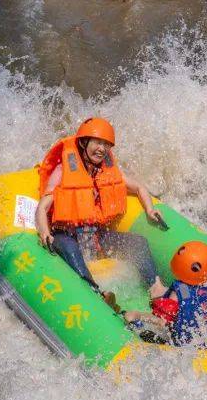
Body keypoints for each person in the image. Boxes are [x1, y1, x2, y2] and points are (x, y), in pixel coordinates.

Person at [35, 117, 163, 310]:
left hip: (96, 235)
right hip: (67, 235)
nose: (101, 149)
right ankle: (96, 293)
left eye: (106, 144)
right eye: (97, 142)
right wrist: (45, 232)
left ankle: (156, 287)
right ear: (83, 142)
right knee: (71, 250)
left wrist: (150, 209)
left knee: (139, 243)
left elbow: (138, 187)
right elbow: (42, 207)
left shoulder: (106, 172)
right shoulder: (63, 171)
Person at [125, 240, 207, 346]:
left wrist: (138, 315)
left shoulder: (180, 293)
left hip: (185, 343)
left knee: (132, 318)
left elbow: (161, 321)